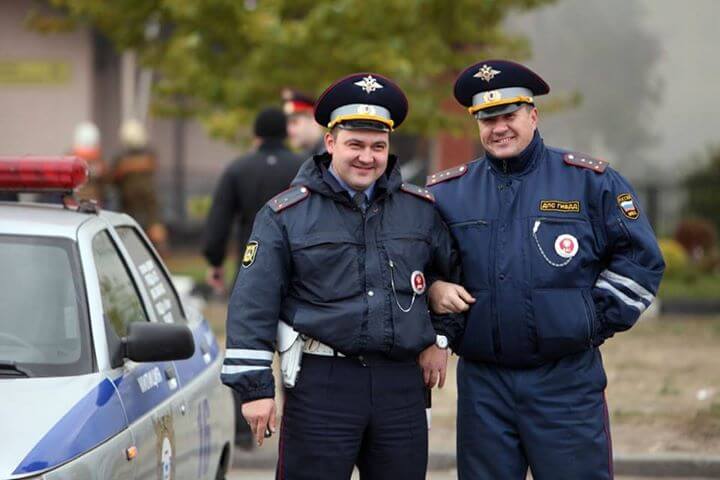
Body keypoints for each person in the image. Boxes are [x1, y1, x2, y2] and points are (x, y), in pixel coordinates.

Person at [426, 59, 665, 479]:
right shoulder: (448, 192)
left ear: (533, 115)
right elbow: (416, 263)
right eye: (487, 119)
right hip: (484, 385)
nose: (498, 128)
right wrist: (434, 289)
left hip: (566, 382)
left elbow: (641, 260)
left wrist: (590, 320)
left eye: (508, 116)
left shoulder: (590, 182)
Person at [221, 73, 463, 479]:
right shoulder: (285, 215)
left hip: (401, 384)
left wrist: (441, 337)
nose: (366, 157)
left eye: (377, 147)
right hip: (322, 385)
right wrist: (256, 390)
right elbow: (252, 303)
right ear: (330, 143)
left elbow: (451, 274)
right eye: (355, 144)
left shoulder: (420, 209)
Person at [203, 107, 303, 296]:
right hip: (298, 267)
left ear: (256, 134)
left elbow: (219, 219)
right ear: (286, 133)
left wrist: (215, 261)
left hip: (251, 263)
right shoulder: (303, 168)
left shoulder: (238, 168)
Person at [111, 119, 168, 253]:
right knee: (127, 231)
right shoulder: (123, 157)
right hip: (129, 203)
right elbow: (114, 178)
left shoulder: (146, 155)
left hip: (146, 202)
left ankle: (158, 252)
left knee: (154, 229)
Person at [282, 88, 325, 157]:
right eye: (287, 123)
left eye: (294, 122)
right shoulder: (304, 157)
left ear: (314, 120)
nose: (289, 130)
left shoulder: (330, 157)